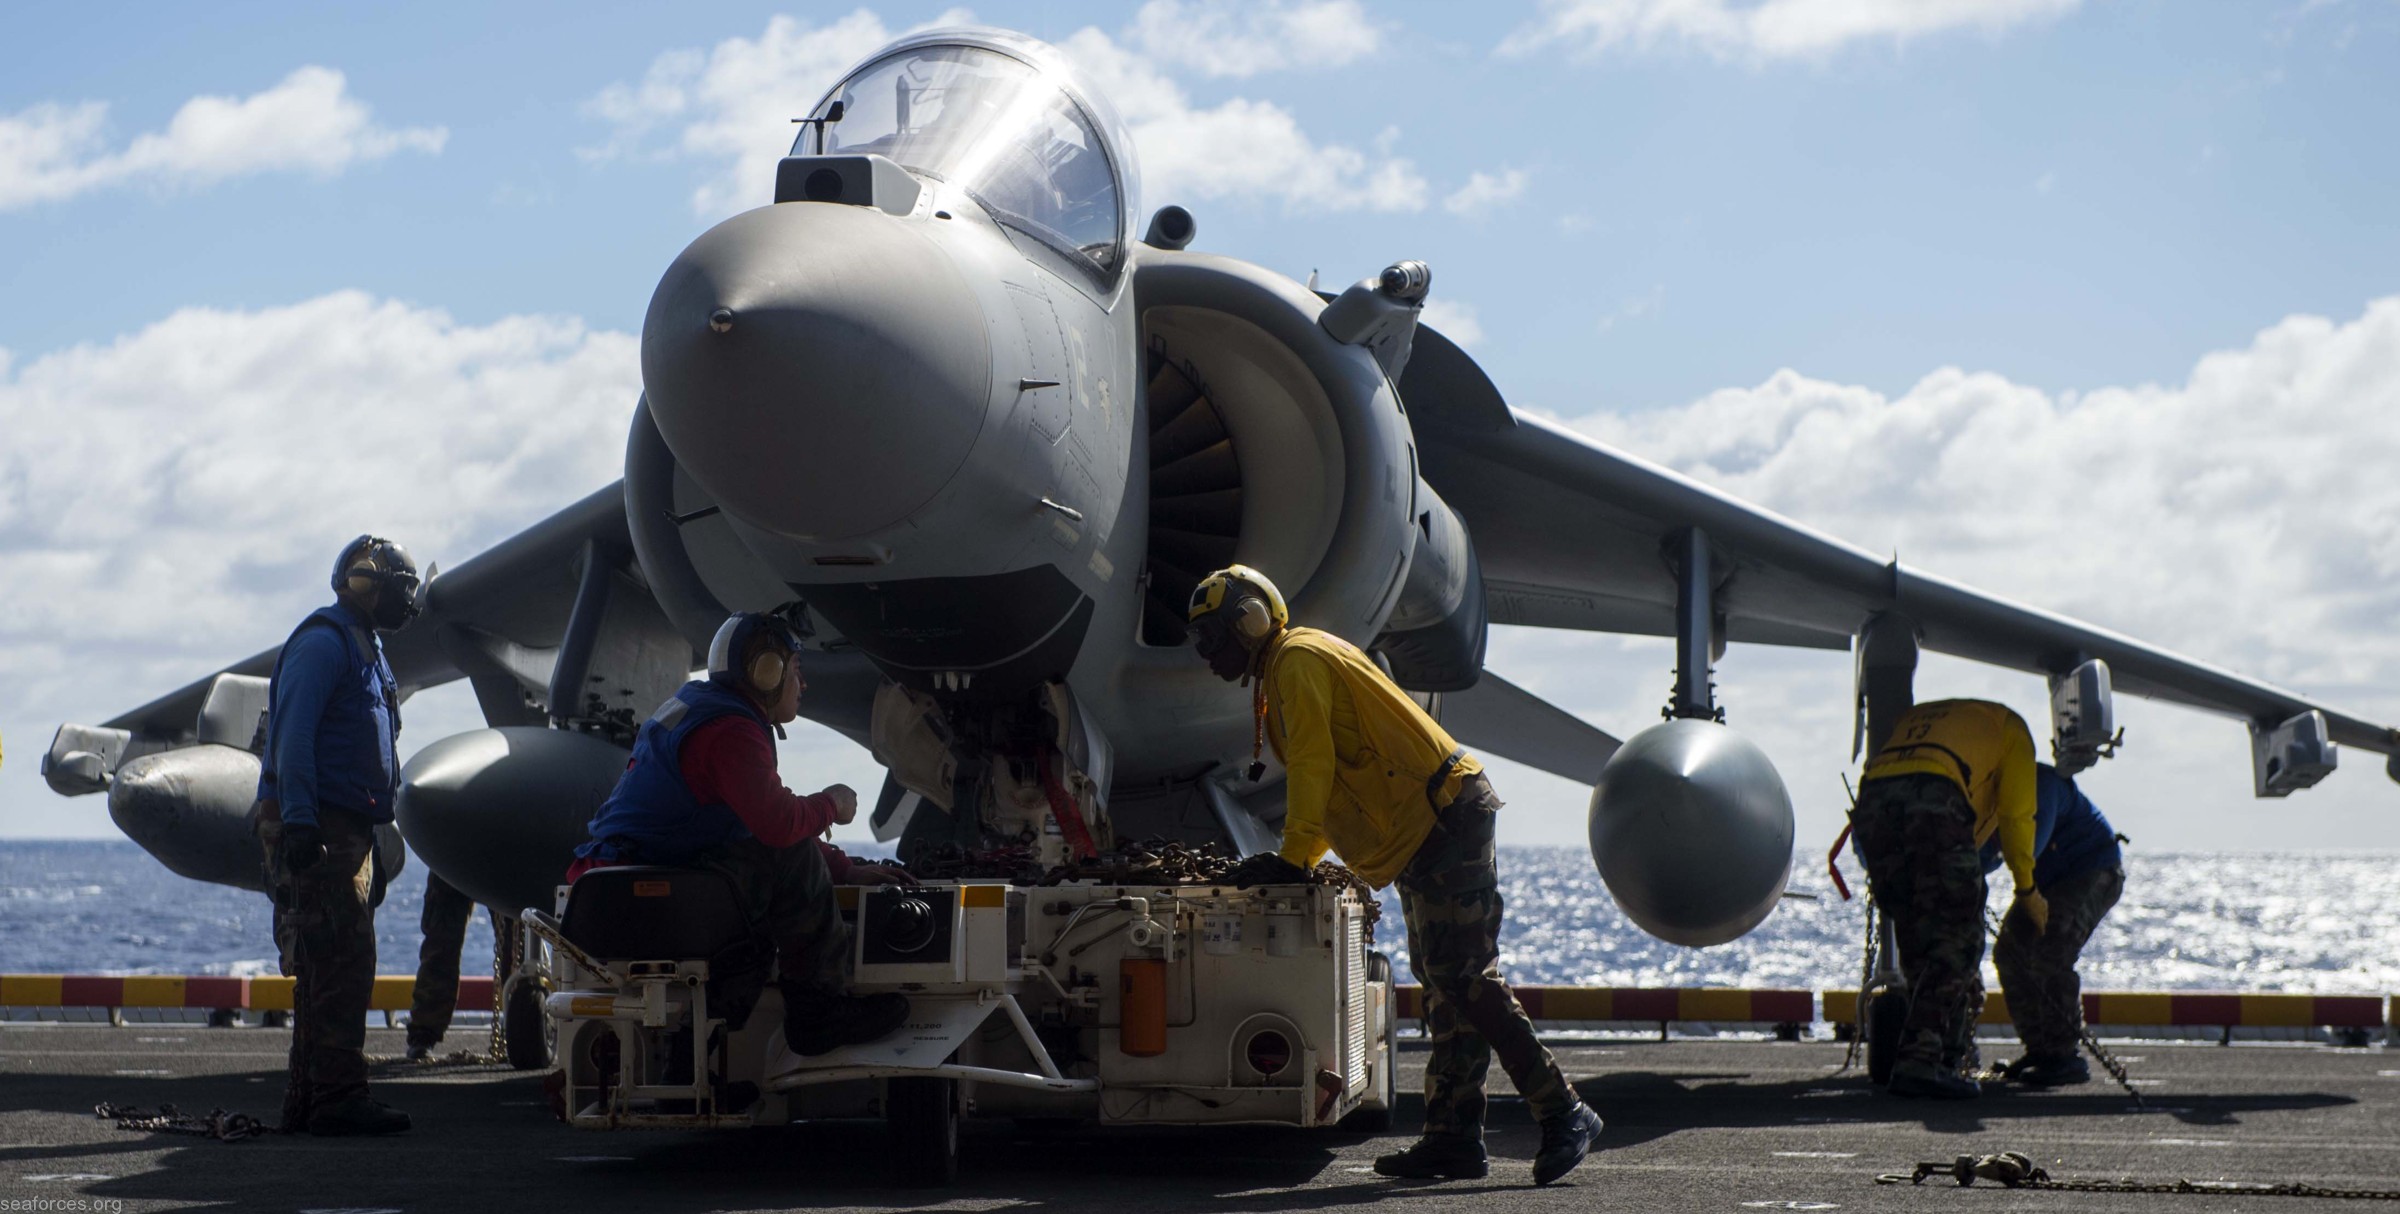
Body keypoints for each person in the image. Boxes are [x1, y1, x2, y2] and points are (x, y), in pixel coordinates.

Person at [1190, 565, 1604, 1186]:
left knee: (1465, 977)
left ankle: (1564, 1110)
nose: (1207, 655)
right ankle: (1453, 1139)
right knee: (1445, 983)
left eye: (1211, 638)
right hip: (1424, 830)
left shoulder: (1296, 661)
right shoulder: (1284, 671)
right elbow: (1337, 784)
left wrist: (1296, 857)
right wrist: (1300, 853)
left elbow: (1314, 762)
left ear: (1249, 622)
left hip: (1444, 817)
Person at [566, 611, 914, 1056]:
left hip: (614, 890)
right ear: (766, 672)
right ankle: (819, 1014)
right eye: (797, 670)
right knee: (771, 893)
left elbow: (755, 832)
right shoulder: (731, 731)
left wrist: (844, 869)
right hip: (648, 896)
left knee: (753, 915)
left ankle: (689, 1060)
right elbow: (780, 828)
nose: (802, 685)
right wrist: (833, 803)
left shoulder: (700, 711)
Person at [253, 534, 424, 1136]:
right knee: (338, 959)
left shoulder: (365, 649)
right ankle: (336, 1099)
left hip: (347, 822)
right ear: (368, 587)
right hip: (320, 820)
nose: (408, 602)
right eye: (401, 590)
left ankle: (318, 1096)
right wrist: (299, 820)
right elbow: (292, 736)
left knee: (340, 959)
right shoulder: (324, 645)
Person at [1853, 698, 2045, 1100]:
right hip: (1934, 794)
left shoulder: (1934, 720)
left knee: (1918, 937)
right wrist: (2026, 890)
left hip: (1872, 799)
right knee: (1959, 943)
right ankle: (1921, 1061)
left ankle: (1940, 1058)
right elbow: (2016, 816)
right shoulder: (2014, 732)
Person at [1979, 763, 2125, 1087]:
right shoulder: (1987, 792)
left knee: (2051, 953)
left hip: (2090, 871)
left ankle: (2063, 1056)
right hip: (2046, 882)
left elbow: (2028, 847)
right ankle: (2041, 1051)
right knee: (2009, 954)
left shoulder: (2039, 783)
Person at [405, 872, 504, 1063]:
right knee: (440, 946)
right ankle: (423, 1034)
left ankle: (524, 1029)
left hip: (482, 856)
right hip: (453, 858)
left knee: (515, 947)